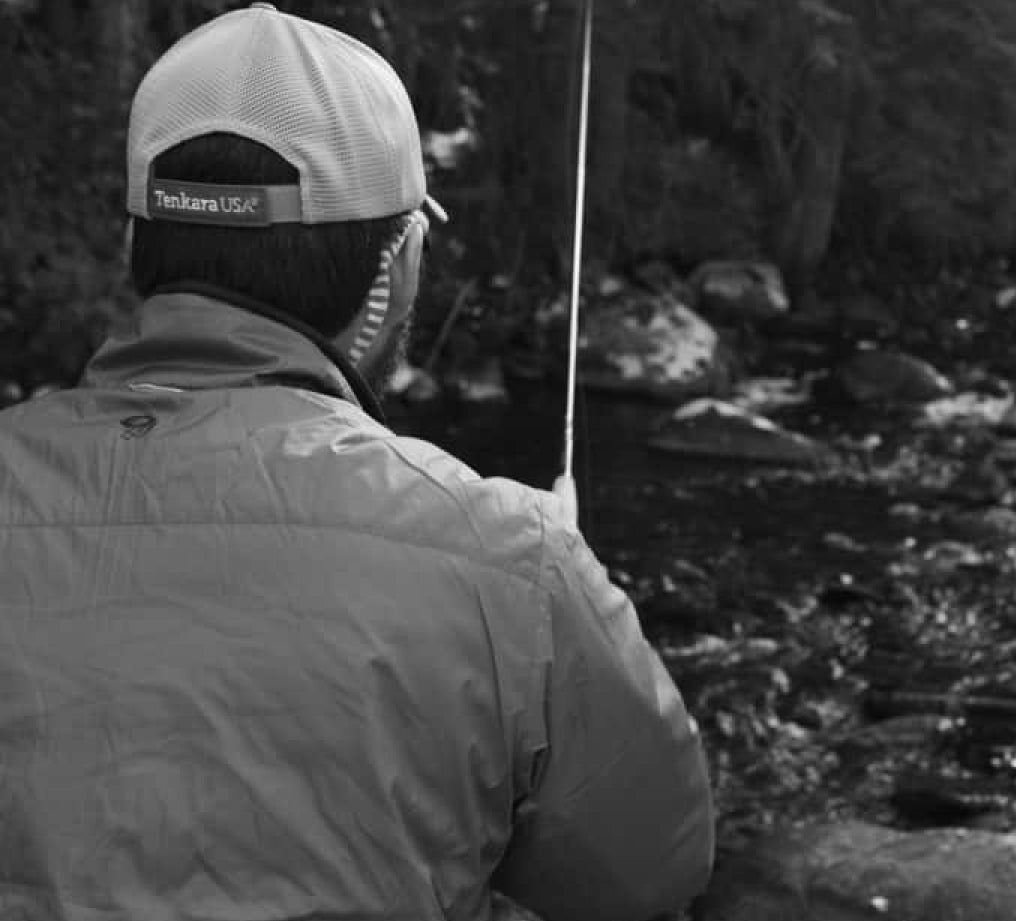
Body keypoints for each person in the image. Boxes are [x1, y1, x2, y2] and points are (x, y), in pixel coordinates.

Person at [0, 5, 714, 921]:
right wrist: (551, 608)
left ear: (138, 243)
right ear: (402, 262)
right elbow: (657, 870)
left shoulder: (507, 558)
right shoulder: (511, 555)